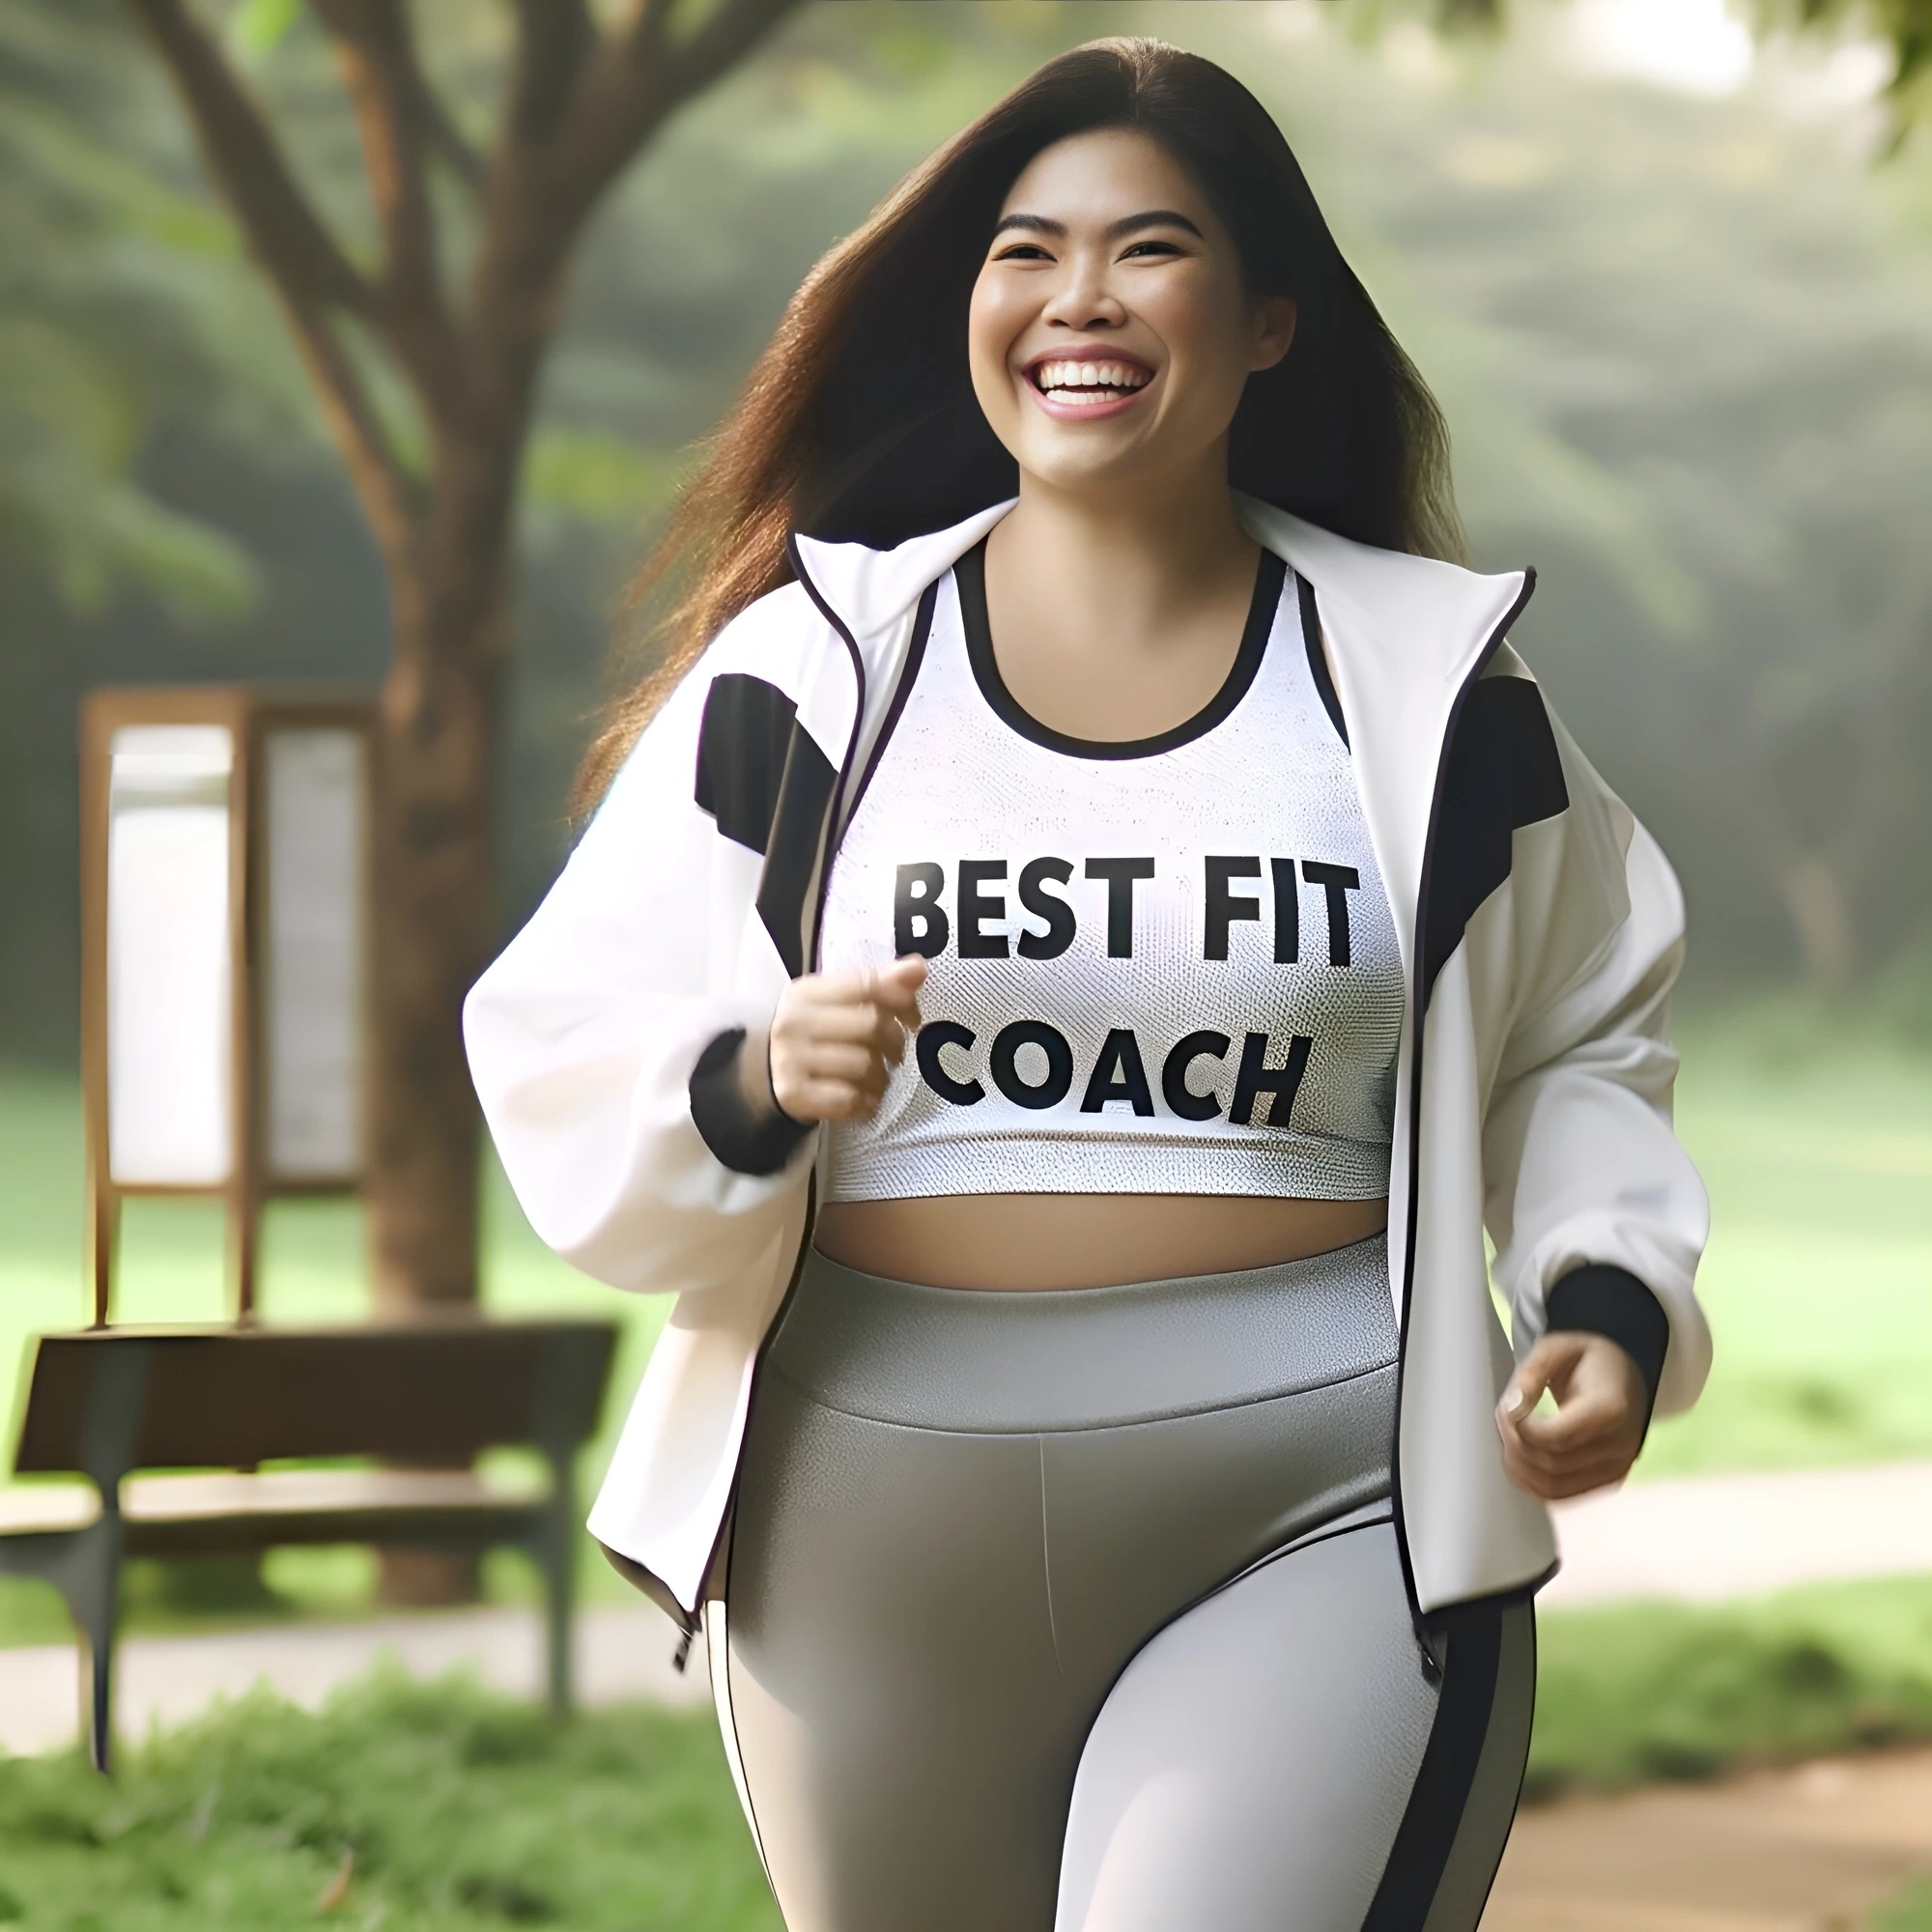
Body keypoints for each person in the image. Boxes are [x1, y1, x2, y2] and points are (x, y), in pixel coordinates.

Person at [465, 38, 1711, 1932]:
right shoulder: (805, 678)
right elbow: (564, 1036)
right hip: (857, 1524)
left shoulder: (1429, 688)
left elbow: (1576, 1027)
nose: (1079, 299)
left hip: (1317, 1491)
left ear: (1269, 319)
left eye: (1150, 248)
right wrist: (749, 1073)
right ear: (967, 305)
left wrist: (1604, 1297)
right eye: (1023, 250)